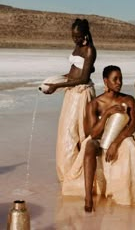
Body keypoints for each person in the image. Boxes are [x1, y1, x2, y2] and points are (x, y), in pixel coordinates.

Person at [62, 65, 135, 212]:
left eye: (120, 79)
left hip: (120, 138)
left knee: (129, 146)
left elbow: (132, 126)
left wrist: (116, 143)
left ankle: (125, 191)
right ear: (105, 81)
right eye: (115, 79)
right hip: (100, 139)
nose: (119, 82)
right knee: (89, 146)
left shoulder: (128, 100)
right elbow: (93, 133)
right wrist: (107, 113)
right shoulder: (95, 104)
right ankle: (88, 197)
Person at [44, 18, 97, 183]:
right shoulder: (77, 47)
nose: (76, 39)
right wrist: (54, 82)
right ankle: (67, 172)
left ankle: (79, 174)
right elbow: (72, 71)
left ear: (85, 34)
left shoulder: (89, 50)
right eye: (73, 36)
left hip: (81, 93)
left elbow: (83, 78)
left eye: (78, 36)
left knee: (77, 132)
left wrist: (59, 85)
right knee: (66, 132)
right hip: (71, 92)